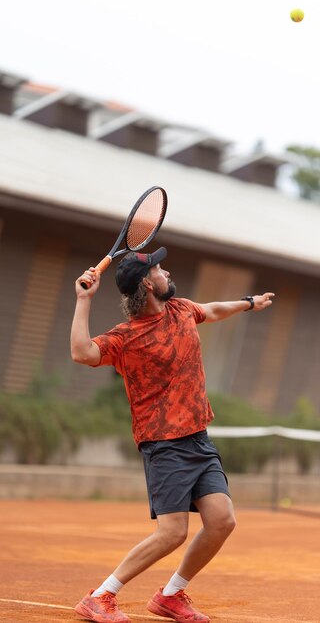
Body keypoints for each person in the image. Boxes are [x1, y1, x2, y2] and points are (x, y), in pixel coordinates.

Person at [70, 247, 275, 623]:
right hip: (164, 444)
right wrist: (84, 299)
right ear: (148, 283)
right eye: (160, 269)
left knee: (222, 520)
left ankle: (170, 595)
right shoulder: (126, 337)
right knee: (172, 533)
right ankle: (100, 596)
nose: (167, 273)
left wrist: (249, 303)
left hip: (198, 437)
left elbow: (212, 310)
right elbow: (82, 353)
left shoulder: (180, 309)